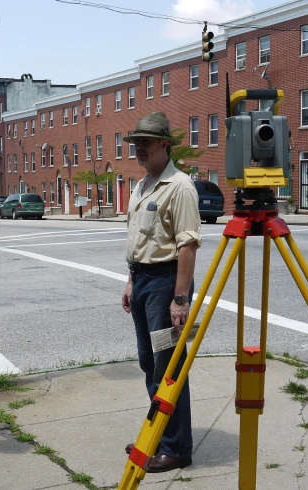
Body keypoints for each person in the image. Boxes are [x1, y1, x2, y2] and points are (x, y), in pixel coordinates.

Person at [121, 112, 202, 473]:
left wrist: (180, 298)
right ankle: (158, 435)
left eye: (146, 142)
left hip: (166, 284)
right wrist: (130, 281)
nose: (139, 148)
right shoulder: (143, 185)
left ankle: (175, 448)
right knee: (148, 363)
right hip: (143, 282)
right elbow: (139, 239)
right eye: (136, 142)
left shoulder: (180, 186)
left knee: (167, 368)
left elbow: (187, 246)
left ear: (164, 145)